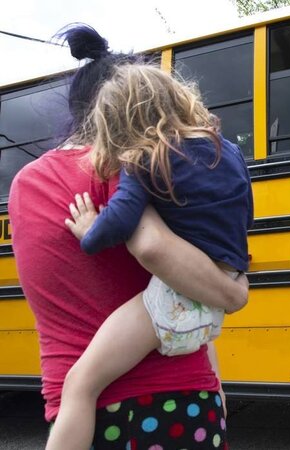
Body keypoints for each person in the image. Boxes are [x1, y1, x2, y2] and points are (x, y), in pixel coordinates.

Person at [9, 25, 246, 450]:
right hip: (182, 404)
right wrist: (234, 293)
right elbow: (172, 264)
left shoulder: (25, 184)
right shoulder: (141, 165)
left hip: (91, 415)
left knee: (80, 384)